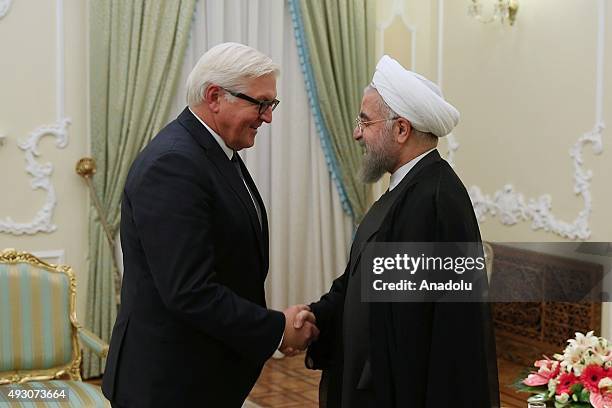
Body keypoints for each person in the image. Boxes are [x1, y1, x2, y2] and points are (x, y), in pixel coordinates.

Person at [102, 42, 318, 408]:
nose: (267, 117)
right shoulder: (174, 164)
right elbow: (190, 290)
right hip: (168, 382)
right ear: (215, 96)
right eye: (261, 103)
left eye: (271, 104)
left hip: (200, 374)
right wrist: (277, 328)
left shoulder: (214, 151)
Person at [296, 55, 500, 407]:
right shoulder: (404, 189)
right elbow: (361, 280)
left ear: (401, 129)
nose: (356, 133)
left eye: (365, 121)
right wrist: (318, 314)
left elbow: (450, 335)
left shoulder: (437, 200)